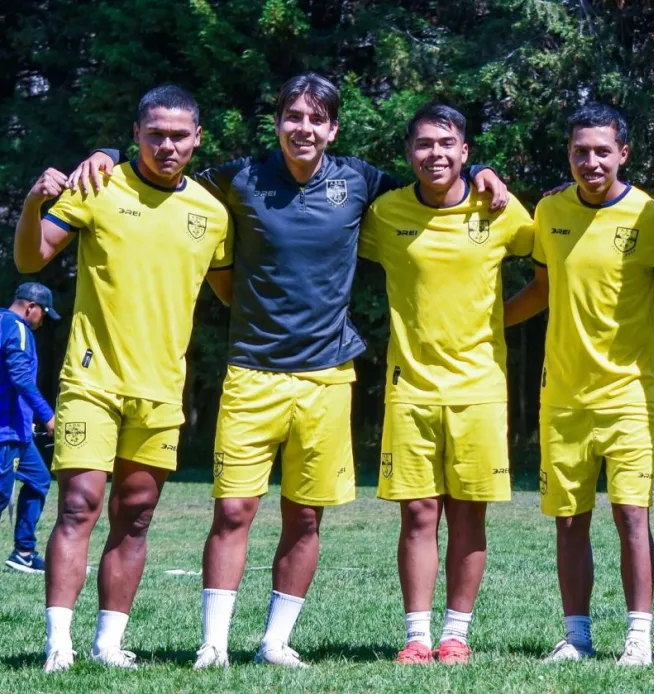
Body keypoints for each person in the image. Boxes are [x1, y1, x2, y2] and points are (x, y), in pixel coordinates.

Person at [70, 73, 508, 669]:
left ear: (333, 128)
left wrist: (481, 172)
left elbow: (434, 185)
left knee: (304, 516)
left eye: (316, 118)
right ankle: (214, 645)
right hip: (251, 371)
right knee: (232, 511)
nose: (304, 128)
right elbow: (162, 170)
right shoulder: (239, 178)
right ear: (277, 123)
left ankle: (275, 642)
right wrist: (106, 152)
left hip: (328, 376)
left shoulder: (361, 182)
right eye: (293, 116)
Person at [15, 86, 233, 673]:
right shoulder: (98, 185)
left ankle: (108, 644)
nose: (167, 145)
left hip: (161, 390)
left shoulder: (213, 214)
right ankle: (58, 645)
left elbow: (234, 292)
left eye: (179, 135)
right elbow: (31, 260)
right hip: (92, 382)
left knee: (135, 516)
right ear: (136, 133)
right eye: (155, 133)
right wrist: (33, 203)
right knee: (79, 505)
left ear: (197, 139)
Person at [358, 104, 534, 665]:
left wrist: (499, 321)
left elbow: (553, 266)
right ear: (409, 153)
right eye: (424, 144)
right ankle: (416, 636)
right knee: (417, 514)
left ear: (464, 151)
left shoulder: (499, 208)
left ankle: (455, 634)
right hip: (410, 388)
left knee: (468, 513)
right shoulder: (385, 212)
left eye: (446, 143)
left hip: (480, 389)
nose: (435, 153)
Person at [504, 103, 654, 666]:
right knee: (569, 519)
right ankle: (576, 636)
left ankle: (639, 637)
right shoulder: (549, 210)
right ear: (569, 155)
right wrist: (485, 324)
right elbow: (542, 288)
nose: (591, 161)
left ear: (623, 153)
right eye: (581, 151)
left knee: (632, 516)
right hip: (562, 396)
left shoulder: (653, 217)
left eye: (603, 151)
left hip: (629, 394)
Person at [0, 282, 58, 574]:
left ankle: (23, 552)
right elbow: (21, 377)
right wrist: (48, 416)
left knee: (38, 479)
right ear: (30, 307)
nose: (42, 320)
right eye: (43, 313)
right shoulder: (18, 328)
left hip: (19, 430)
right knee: (1, 495)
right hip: (6, 431)